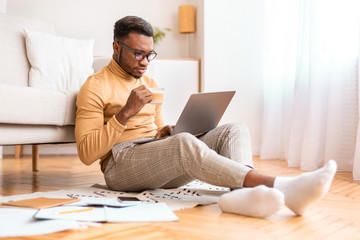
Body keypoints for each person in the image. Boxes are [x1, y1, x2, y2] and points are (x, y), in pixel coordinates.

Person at [75, 16, 337, 218]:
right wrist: (125, 113)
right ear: (116, 47)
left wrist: (166, 130)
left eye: (149, 54)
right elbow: (87, 153)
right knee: (184, 144)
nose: (145, 62)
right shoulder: (95, 86)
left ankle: (241, 196)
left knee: (234, 129)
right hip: (120, 166)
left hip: (154, 157)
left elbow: (155, 131)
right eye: (137, 53)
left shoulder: (150, 82)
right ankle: (279, 186)